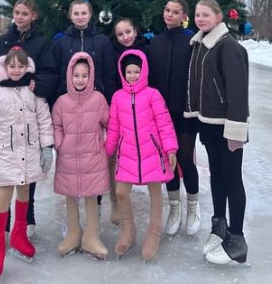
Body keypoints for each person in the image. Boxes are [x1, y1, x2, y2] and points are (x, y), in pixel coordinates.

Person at [0, 0, 58, 237]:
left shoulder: (41, 44)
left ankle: (27, 217)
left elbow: (50, 71)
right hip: (6, 113)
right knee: (6, 173)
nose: (19, 17)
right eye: (16, 12)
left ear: (34, 16)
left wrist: (38, 85)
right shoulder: (2, 42)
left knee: (27, 171)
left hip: (29, 110)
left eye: (24, 13)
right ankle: (6, 221)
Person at [0, 47, 54, 280]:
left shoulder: (34, 91)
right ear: (5, 68)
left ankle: (20, 235)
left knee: (25, 192)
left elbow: (44, 119)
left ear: (27, 67)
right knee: (4, 196)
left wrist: (47, 147)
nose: (17, 70)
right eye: (12, 66)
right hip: (5, 154)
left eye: (21, 66)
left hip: (29, 152)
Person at [184, 0, 249, 265]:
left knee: (232, 178)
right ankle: (219, 226)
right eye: (198, 15)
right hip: (208, 124)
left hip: (226, 127)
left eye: (206, 15)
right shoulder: (200, 44)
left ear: (218, 16)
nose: (201, 19)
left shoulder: (227, 47)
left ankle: (237, 238)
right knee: (217, 177)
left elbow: (237, 93)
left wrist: (236, 130)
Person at [106, 51, 178, 261]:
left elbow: (164, 123)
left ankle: (154, 231)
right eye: (129, 71)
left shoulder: (153, 95)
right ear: (123, 72)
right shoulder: (118, 97)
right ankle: (129, 230)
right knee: (120, 192)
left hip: (152, 152)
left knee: (155, 191)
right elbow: (113, 127)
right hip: (128, 153)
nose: (133, 75)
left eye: (137, 71)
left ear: (143, 71)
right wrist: (108, 150)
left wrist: (170, 149)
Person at [147, 0, 200, 238]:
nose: (169, 14)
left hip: (185, 114)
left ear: (183, 16)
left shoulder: (191, 42)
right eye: (167, 10)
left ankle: (192, 208)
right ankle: (174, 210)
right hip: (161, 115)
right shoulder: (155, 43)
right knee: (168, 163)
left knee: (186, 159)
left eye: (175, 11)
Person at [52, 53, 109, 260]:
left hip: (93, 158)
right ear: (70, 76)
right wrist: (60, 143)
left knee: (91, 196)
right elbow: (56, 125)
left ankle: (91, 236)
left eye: (84, 75)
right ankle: (74, 234)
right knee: (71, 197)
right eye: (76, 75)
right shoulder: (61, 102)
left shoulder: (98, 99)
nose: (80, 79)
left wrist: (104, 143)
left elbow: (109, 123)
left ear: (90, 76)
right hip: (67, 158)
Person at [108, 17, 148, 225]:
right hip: (119, 108)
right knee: (115, 155)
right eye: (120, 34)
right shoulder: (111, 52)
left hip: (142, 109)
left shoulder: (146, 49)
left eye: (128, 32)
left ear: (135, 30)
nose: (125, 37)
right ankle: (116, 201)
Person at [50, 0, 117, 103]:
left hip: (96, 100)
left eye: (84, 13)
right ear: (70, 16)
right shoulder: (60, 43)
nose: (80, 17)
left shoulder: (103, 41)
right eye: (76, 13)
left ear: (90, 15)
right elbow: (53, 73)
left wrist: (109, 100)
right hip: (67, 101)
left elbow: (109, 74)